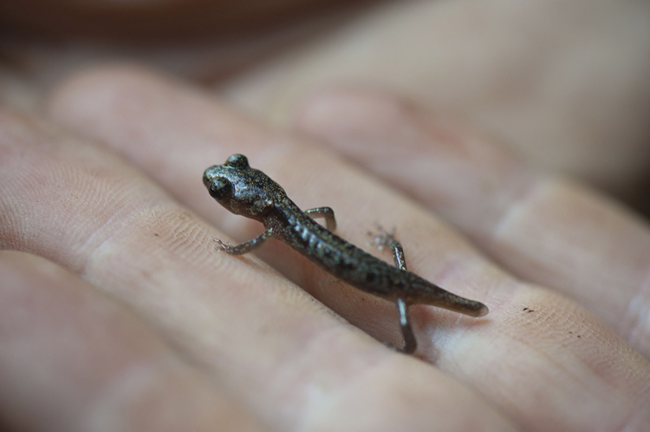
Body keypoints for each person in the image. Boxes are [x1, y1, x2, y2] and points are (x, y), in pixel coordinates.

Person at [1, 1, 649, 430]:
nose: (225, 191)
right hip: (377, 266)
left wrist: (237, 251)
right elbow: (322, 214)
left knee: (415, 301)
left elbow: (279, 235)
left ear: (257, 197)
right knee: (407, 285)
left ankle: (407, 344)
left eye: (229, 188)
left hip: (387, 282)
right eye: (225, 187)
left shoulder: (274, 225)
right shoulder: (281, 215)